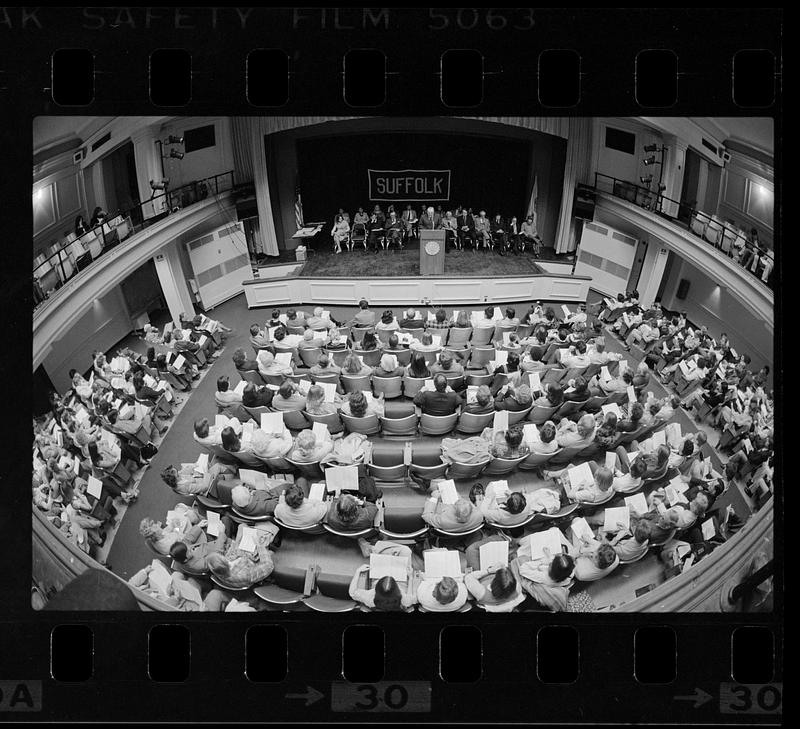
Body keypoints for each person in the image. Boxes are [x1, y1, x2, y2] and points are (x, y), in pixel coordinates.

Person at [206, 530, 275, 589]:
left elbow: (221, 559)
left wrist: (237, 554)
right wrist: (259, 545)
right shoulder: (246, 575)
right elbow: (268, 565)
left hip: (244, 559)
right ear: (227, 562)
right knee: (268, 543)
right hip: (254, 563)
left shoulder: (217, 570)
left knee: (243, 528)